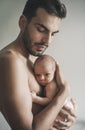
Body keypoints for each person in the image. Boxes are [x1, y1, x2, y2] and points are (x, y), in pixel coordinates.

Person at [0, 0, 77, 130]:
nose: (48, 41)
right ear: (23, 23)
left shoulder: (31, 60)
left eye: (53, 34)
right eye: (41, 29)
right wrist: (63, 92)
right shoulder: (10, 61)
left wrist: (65, 119)